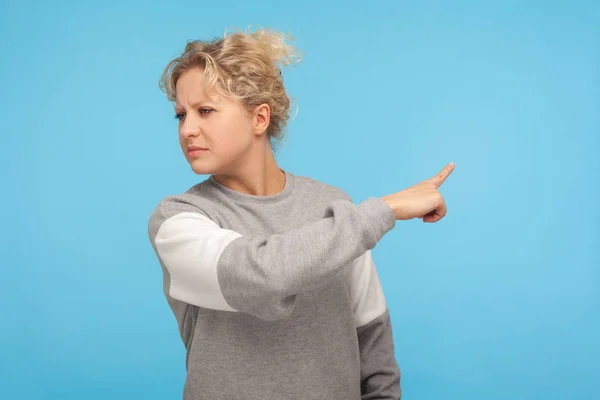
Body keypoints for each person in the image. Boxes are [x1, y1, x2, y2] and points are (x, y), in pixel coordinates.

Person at [147, 27, 454, 400]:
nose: (187, 129)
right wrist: (384, 210)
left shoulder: (333, 208)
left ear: (259, 119)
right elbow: (260, 276)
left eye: (205, 111)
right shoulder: (178, 220)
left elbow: (372, 341)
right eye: (181, 114)